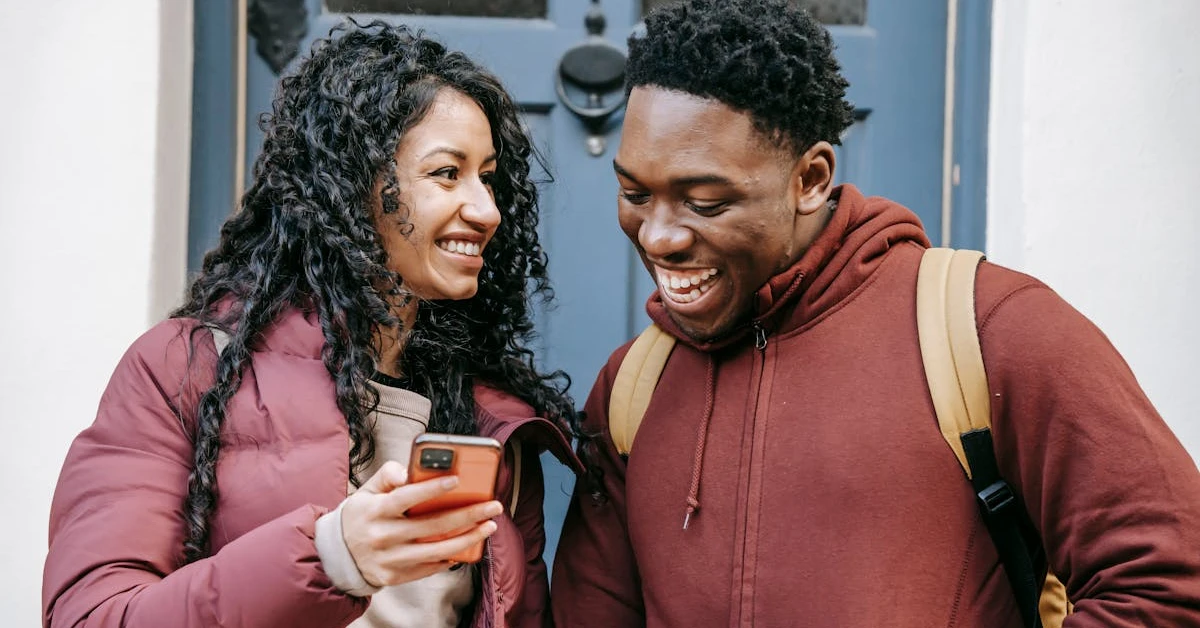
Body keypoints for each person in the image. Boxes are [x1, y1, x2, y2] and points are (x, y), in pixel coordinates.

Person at [551, 1, 1200, 626]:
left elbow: (1165, 580)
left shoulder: (992, 330)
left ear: (810, 180)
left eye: (705, 202)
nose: (658, 235)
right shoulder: (634, 386)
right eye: (635, 192)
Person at [43, 21, 581, 628]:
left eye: (486, 176)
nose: (486, 209)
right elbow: (91, 617)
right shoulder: (183, 371)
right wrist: (333, 557)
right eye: (446, 173)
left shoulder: (495, 419)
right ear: (353, 188)